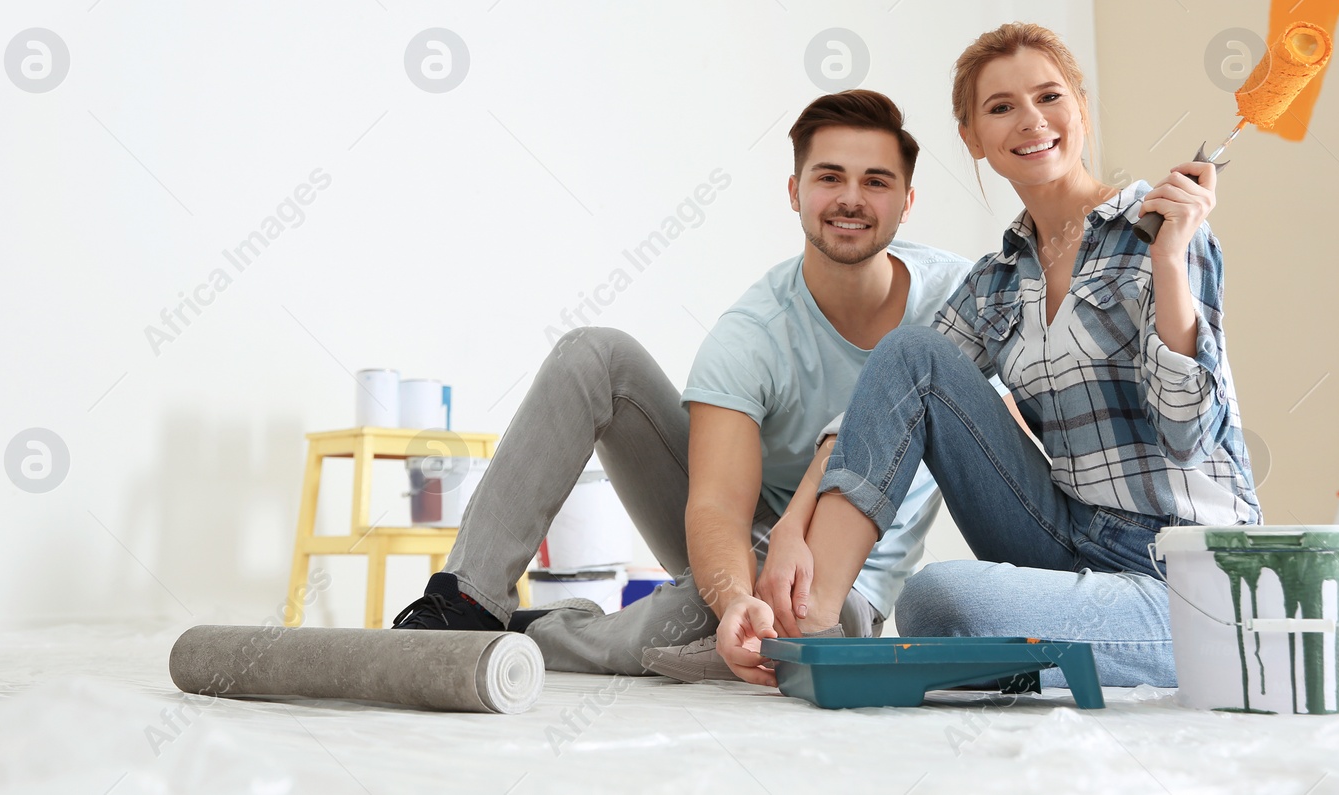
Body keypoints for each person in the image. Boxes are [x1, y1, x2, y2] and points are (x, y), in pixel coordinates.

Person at [389, 90, 1015, 677]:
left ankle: (537, 636)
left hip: (847, 583)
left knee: (693, 631)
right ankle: (468, 605)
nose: (851, 199)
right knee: (595, 355)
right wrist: (736, 593)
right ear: (795, 192)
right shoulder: (752, 332)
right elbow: (716, 504)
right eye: (829, 177)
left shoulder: (962, 302)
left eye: (875, 181)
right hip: (742, 528)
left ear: (906, 201)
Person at [718, 22, 1260, 689]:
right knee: (911, 352)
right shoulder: (996, 281)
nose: (1030, 120)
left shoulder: (1167, 235)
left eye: (1049, 96)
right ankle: (810, 630)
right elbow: (882, 402)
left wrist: (1170, 259)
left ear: (1081, 109)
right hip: (1069, 544)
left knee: (938, 601)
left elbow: (1188, 433)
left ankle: (1133, 648)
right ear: (973, 137)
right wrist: (794, 528)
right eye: (1001, 107)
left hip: (1184, 577)